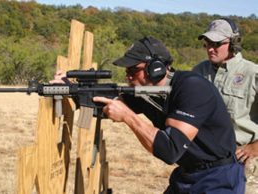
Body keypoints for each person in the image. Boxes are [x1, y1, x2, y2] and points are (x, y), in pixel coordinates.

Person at [91, 36, 245, 193]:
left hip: (218, 177)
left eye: (133, 70)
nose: (128, 76)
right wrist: (68, 87)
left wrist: (128, 117)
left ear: (155, 68)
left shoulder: (193, 88)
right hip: (187, 174)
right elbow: (106, 100)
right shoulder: (149, 92)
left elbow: (169, 150)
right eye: (127, 71)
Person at [192, 18, 258, 170]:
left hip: (240, 159)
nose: (210, 49)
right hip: (204, 156)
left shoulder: (252, 73)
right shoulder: (199, 71)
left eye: (216, 44)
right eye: (207, 43)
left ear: (234, 43)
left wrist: (255, 147)